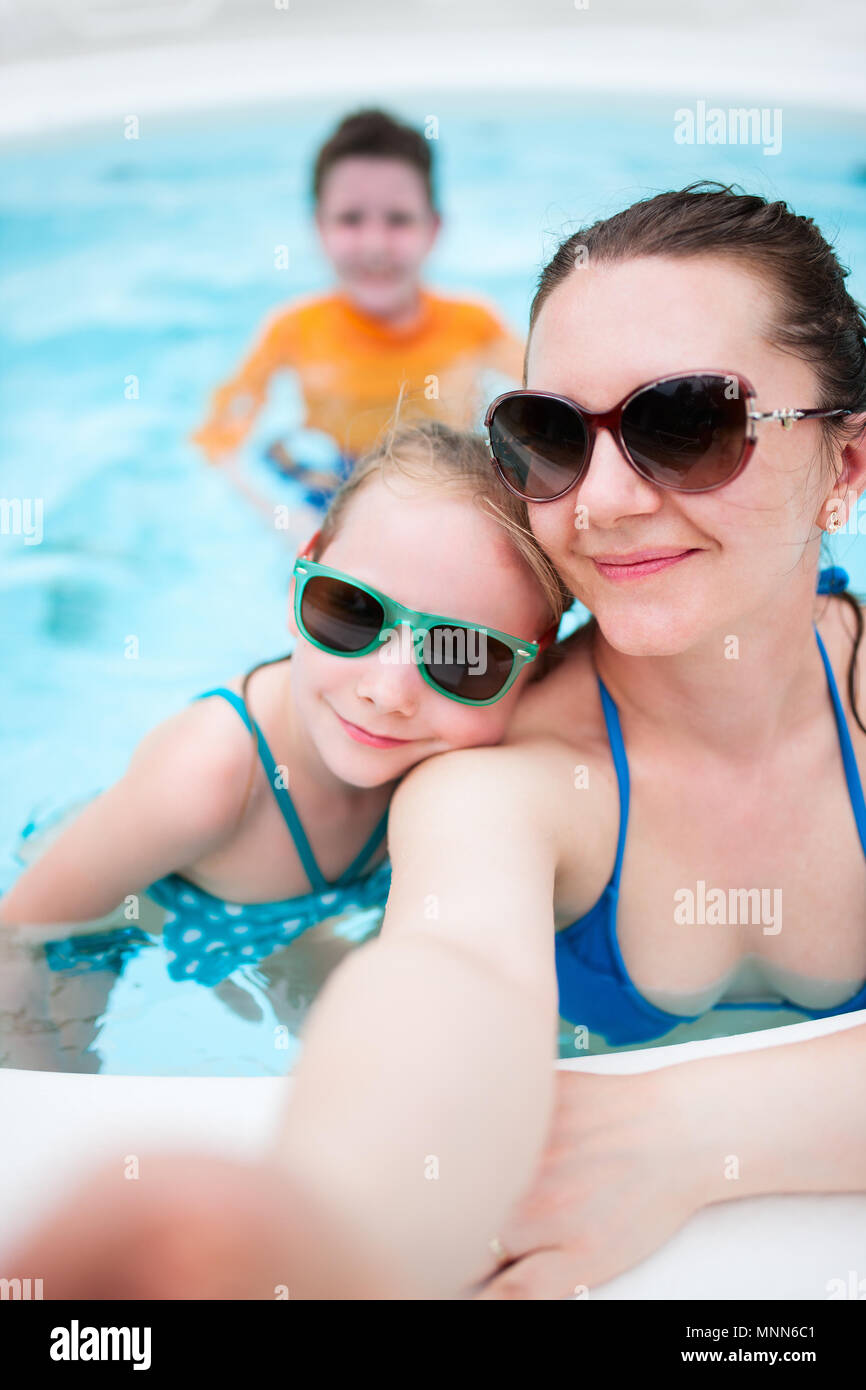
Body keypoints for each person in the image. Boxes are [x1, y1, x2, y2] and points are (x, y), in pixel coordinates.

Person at [8, 182, 866, 1302]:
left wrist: (689, 1127)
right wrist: (321, 1239)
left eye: (683, 424)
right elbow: (442, 977)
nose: (600, 501)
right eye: (550, 436)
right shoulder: (501, 777)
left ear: (844, 467)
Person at [0, 422, 566, 980]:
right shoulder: (206, 776)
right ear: (301, 578)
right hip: (104, 925)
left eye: (461, 655)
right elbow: (16, 935)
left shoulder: (508, 750)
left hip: (287, 929)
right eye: (352, 611)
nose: (387, 692)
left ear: (538, 662)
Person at [191, 109, 524, 511]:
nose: (374, 244)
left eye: (398, 219)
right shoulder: (291, 329)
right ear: (320, 227)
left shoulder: (475, 323)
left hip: (443, 480)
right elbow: (217, 441)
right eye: (350, 219)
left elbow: (545, 394)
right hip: (332, 483)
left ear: (433, 229)